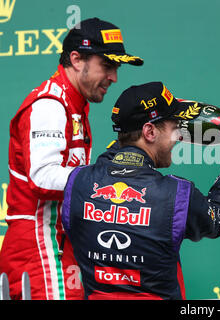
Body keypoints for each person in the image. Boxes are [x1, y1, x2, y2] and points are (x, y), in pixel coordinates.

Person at [61, 82, 220, 300]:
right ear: (150, 131)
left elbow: (113, 156)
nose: (179, 137)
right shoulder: (176, 195)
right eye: (175, 128)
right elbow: (216, 220)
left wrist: (130, 137)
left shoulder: (78, 181)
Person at [0, 17, 143, 300]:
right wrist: (105, 178)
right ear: (77, 59)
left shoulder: (74, 105)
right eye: (108, 65)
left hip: (62, 246)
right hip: (38, 246)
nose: (114, 77)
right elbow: (42, 178)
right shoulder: (49, 104)